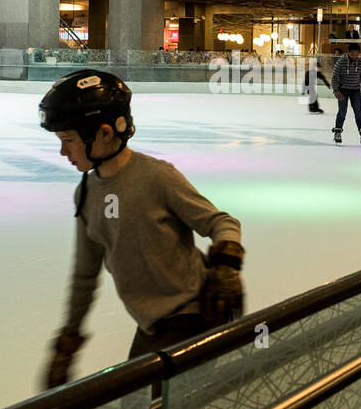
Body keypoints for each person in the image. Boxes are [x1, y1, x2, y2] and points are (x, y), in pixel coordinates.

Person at [39, 70, 244, 388]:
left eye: (68, 141)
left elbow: (221, 222)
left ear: (104, 133)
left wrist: (227, 264)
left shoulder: (157, 178)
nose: (63, 152)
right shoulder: (86, 195)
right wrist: (67, 341)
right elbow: (84, 275)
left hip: (195, 313)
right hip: (152, 325)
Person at [330, 42, 361, 144]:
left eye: (357, 54)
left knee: (358, 111)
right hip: (343, 90)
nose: (355, 57)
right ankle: (338, 131)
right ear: (348, 53)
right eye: (352, 54)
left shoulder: (360, 63)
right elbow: (334, 78)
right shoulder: (341, 62)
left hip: (355, 90)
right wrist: (336, 91)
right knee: (342, 112)